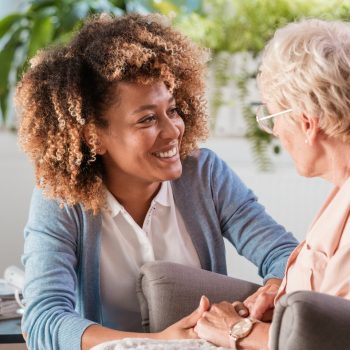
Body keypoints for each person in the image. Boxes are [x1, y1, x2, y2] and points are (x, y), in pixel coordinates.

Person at [16, 13, 297, 350]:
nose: (172, 130)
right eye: (147, 118)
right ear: (94, 136)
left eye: (173, 110)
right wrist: (155, 343)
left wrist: (268, 294)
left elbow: (285, 255)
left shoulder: (205, 175)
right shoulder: (60, 200)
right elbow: (44, 320)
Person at [194, 18, 350, 350]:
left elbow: (333, 337)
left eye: (272, 118)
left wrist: (237, 331)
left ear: (307, 123)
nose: (275, 131)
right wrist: (279, 294)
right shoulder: (340, 191)